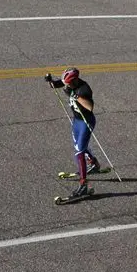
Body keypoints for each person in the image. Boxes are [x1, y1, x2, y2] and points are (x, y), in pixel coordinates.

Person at [45, 67, 101, 198]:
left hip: (86, 122)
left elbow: (90, 107)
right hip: (76, 121)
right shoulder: (69, 83)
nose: (67, 85)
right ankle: (93, 163)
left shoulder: (84, 88)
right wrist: (50, 80)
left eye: (69, 83)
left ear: (75, 81)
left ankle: (83, 186)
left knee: (79, 151)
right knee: (79, 146)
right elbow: (55, 85)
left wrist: (77, 97)